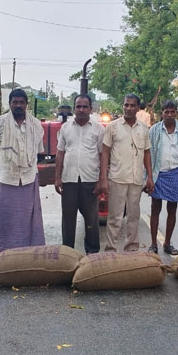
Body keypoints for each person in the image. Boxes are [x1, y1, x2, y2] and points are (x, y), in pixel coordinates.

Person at [0, 89, 46, 252]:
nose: (18, 105)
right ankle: (6, 252)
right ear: (10, 104)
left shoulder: (35, 125)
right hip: (7, 177)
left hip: (28, 178)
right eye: (15, 102)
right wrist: (8, 159)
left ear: (26, 104)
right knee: (6, 217)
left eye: (21, 102)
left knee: (28, 219)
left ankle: (29, 253)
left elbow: (38, 151)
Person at [98, 93, 154, 252]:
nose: (128, 108)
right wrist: (103, 178)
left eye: (132, 105)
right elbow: (105, 153)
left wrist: (150, 177)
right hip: (117, 178)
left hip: (136, 179)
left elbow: (147, 153)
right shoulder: (113, 127)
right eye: (126, 105)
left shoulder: (143, 128)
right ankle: (110, 250)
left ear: (138, 108)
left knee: (134, 217)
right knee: (115, 217)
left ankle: (131, 249)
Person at [54, 94, 104, 253]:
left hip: (90, 179)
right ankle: (67, 254)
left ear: (91, 109)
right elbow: (60, 153)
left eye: (85, 106)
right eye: (78, 106)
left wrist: (101, 180)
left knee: (91, 219)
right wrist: (57, 178)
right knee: (68, 220)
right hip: (69, 179)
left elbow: (103, 155)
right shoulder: (65, 128)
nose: (81, 110)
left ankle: (92, 252)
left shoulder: (98, 129)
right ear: (74, 109)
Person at [148, 100, 178, 255]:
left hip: (176, 173)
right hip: (157, 173)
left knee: (172, 209)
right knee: (155, 208)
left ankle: (167, 243)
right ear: (162, 113)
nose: (170, 115)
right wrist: (149, 178)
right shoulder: (154, 130)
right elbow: (149, 154)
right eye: (167, 112)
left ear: (176, 113)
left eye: (173, 112)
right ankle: (153, 244)